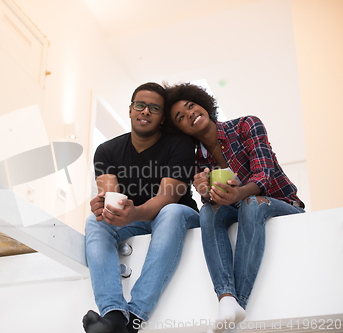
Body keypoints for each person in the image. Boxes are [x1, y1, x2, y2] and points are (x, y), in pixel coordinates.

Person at [164, 82, 305, 333]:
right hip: (242, 209)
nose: (190, 114)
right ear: (180, 129)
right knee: (208, 211)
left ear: (203, 103)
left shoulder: (246, 125)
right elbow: (214, 202)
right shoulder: (198, 159)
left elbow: (264, 176)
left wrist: (238, 193)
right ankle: (226, 299)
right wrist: (206, 194)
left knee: (250, 203)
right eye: (181, 118)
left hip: (284, 205)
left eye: (191, 106)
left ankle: (236, 308)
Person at [82, 82, 199, 333]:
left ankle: (134, 317)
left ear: (162, 117)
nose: (146, 111)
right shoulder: (107, 151)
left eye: (154, 108)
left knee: (171, 211)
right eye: (140, 105)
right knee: (96, 221)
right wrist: (104, 206)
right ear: (130, 109)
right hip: (135, 220)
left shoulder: (180, 145)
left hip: (177, 216)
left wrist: (134, 213)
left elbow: (168, 198)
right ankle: (113, 315)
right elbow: (110, 193)